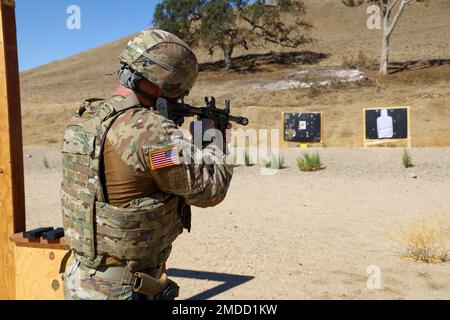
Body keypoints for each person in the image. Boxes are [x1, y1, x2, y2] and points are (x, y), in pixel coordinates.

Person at [61, 29, 233, 300]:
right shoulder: (149, 130)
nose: (179, 99)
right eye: (178, 91)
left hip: (81, 277)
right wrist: (215, 142)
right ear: (163, 82)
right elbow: (210, 191)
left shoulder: (86, 118)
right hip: (124, 288)